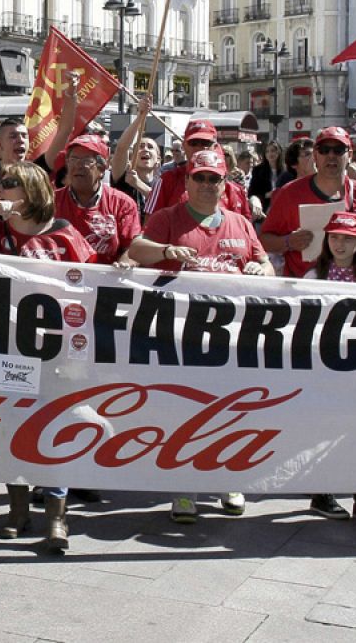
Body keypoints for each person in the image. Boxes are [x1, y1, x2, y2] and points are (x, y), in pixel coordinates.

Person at [0, 161, 92, 552]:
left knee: (55, 426)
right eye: (2, 182)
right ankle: (16, 510)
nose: (2, 187)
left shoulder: (65, 235)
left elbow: (90, 287)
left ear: (32, 190)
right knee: (13, 424)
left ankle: (57, 516)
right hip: (10, 350)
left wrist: (78, 355)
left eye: (10, 183)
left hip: (57, 350)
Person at [127, 148, 270, 523]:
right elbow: (137, 249)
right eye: (200, 177)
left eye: (214, 179)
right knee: (186, 413)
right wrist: (165, 250)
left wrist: (259, 267)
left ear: (225, 184)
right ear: (188, 181)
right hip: (181, 336)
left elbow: (266, 264)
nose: (207, 185)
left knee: (235, 410)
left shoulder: (240, 222)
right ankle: (185, 490)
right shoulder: (167, 217)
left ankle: (229, 480)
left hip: (234, 339)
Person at [301, 211, 356, 527]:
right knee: (326, 429)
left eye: (347, 237)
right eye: (334, 236)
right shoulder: (314, 276)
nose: (340, 242)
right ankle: (322, 491)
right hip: (323, 367)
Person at [260, 127, 356, 278]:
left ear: (350, 155)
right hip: (303, 288)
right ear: (315, 155)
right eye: (324, 150)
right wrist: (289, 242)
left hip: (351, 288)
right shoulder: (289, 193)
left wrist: (354, 244)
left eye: (338, 150)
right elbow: (263, 240)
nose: (331, 156)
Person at [55, 134, 141, 265]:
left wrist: (125, 263)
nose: (78, 165)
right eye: (73, 159)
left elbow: (132, 248)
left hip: (105, 281)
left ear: (101, 169)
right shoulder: (50, 202)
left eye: (86, 161)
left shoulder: (123, 204)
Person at [145, 120, 253, 218]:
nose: (199, 147)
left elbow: (245, 234)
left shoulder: (235, 191)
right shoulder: (166, 181)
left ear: (215, 147)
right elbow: (148, 229)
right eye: (194, 143)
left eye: (206, 143)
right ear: (184, 146)